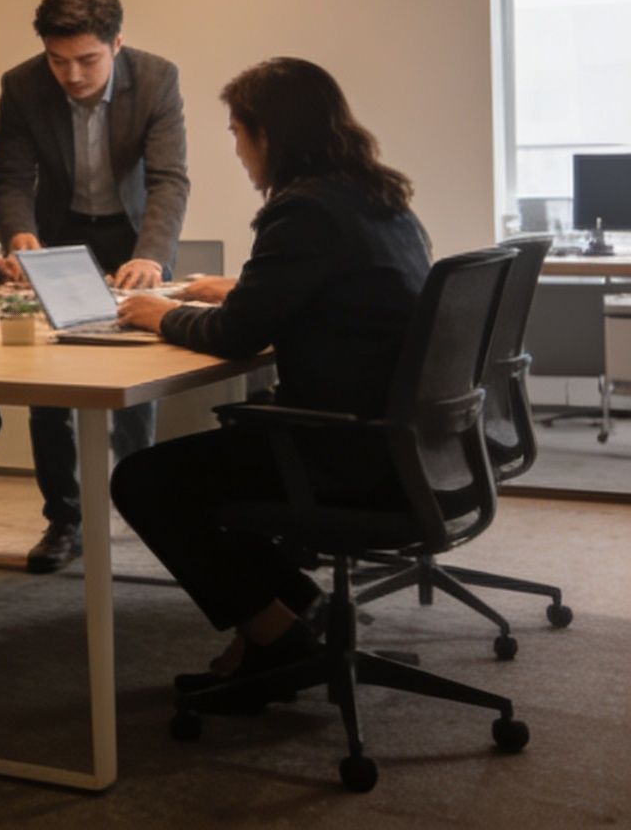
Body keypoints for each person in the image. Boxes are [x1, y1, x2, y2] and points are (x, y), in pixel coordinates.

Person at [109, 58, 433, 692]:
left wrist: (159, 315)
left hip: (343, 452)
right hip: (401, 443)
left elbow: (234, 336)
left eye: (236, 131)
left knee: (146, 480)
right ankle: (301, 605)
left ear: (269, 135)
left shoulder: (303, 211)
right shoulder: (375, 197)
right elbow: (341, 288)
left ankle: (274, 635)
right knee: (196, 471)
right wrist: (248, 287)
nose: (234, 148)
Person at [0, 0, 189, 573]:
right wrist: (19, 235)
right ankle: (64, 520)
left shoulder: (156, 78)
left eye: (87, 60)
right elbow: (10, 178)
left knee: (133, 378)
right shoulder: (22, 85)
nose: (71, 75)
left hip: (131, 236)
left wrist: (152, 255)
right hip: (60, 235)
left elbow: (169, 179)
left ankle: (143, 502)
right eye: (58, 60)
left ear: (117, 43)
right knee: (49, 383)